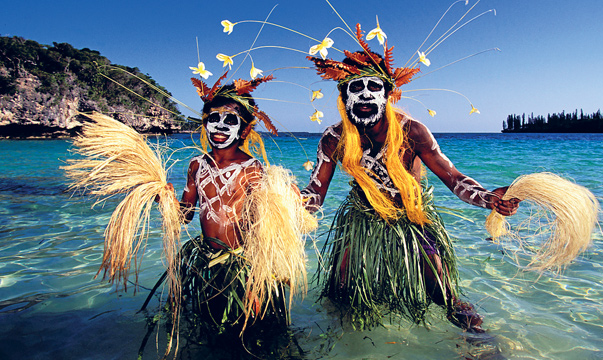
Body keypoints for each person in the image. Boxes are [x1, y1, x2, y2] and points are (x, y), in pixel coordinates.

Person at [301, 25, 520, 332]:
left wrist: (488, 198)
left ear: (387, 94)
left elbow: (453, 177)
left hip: (411, 220)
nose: (365, 95)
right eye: (356, 88)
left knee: (444, 295)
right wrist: (287, 206)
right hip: (362, 220)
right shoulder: (334, 138)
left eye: (373, 87)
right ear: (343, 95)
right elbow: (315, 192)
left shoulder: (412, 132)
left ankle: (479, 342)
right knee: (341, 294)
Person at [143, 75, 311, 357]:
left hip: (243, 265)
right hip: (208, 265)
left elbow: (264, 225)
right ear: (205, 124)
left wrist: (286, 201)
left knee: (249, 333)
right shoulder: (196, 165)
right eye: (214, 118)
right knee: (213, 328)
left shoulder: (253, 168)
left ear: (244, 131)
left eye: (230, 121)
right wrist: (165, 200)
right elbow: (185, 215)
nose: (220, 126)